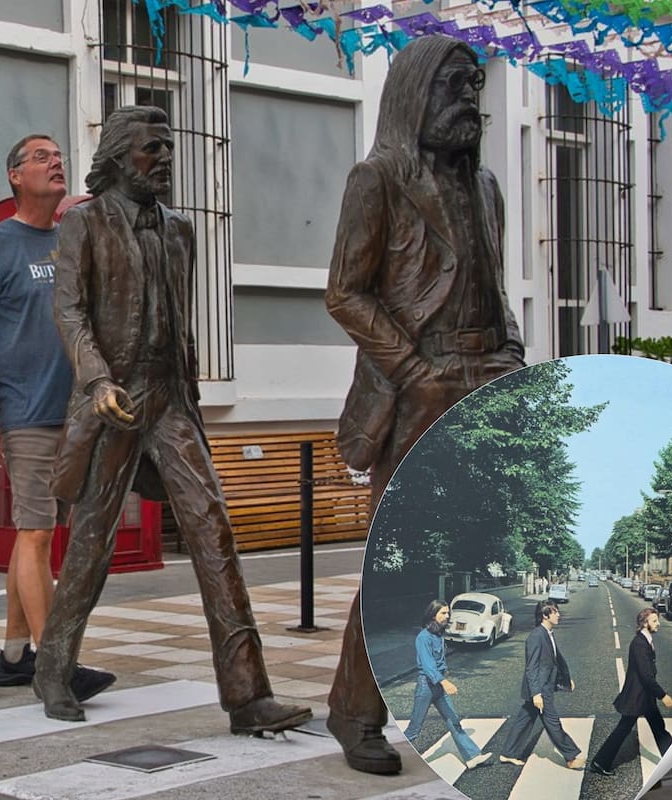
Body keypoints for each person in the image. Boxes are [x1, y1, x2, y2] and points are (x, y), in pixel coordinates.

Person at [31, 105, 312, 736]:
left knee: (214, 532)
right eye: (150, 149)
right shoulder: (85, 224)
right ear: (119, 156)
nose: (164, 160)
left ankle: (247, 695)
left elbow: (178, 325)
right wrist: (97, 378)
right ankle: (53, 669)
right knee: (93, 542)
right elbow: (70, 313)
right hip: (114, 402)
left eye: (169, 149)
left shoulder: (181, 230)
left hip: (169, 402)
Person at [323, 34, 525, 775]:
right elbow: (344, 291)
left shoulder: (486, 187)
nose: (469, 102)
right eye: (453, 88)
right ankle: (354, 712)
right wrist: (413, 368)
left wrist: (511, 354)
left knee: (486, 560)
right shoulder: (376, 179)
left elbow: (491, 287)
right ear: (414, 94)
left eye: (475, 88)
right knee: (398, 559)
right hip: (418, 390)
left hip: (488, 375)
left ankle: (484, 704)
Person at [0, 134, 113, 702]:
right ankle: (56, 664)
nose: (57, 162)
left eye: (59, 156)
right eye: (42, 156)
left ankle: (15, 656)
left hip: (75, 414)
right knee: (35, 530)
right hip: (23, 413)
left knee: (37, 535)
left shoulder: (73, 240)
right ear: (14, 176)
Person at [406, 600, 493, 769]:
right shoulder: (423, 637)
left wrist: (444, 675)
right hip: (427, 687)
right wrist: (444, 681)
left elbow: (439, 661)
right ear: (433, 615)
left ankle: (472, 756)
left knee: (454, 721)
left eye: (448, 613)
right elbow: (428, 665)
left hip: (438, 686)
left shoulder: (439, 634)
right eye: (443, 613)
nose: (447, 616)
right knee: (414, 729)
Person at [589, 608, 672, 776]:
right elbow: (646, 675)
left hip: (644, 696)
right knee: (624, 729)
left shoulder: (645, 640)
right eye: (654, 621)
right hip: (638, 697)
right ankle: (600, 762)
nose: (658, 624)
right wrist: (663, 695)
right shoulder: (639, 644)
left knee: (659, 728)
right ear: (645, 623)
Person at [500, 600, 584, 769]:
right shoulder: (537, 636)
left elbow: (554, 661)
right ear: (545, 615)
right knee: (553, 723)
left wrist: (566, 680)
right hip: (540, 688)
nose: (558, 615)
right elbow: (531, 667)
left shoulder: (548, 633)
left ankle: (508, 753)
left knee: (525, 719)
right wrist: (536, 693)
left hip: (544, 684)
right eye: (555, 612)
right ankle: (571, 756)